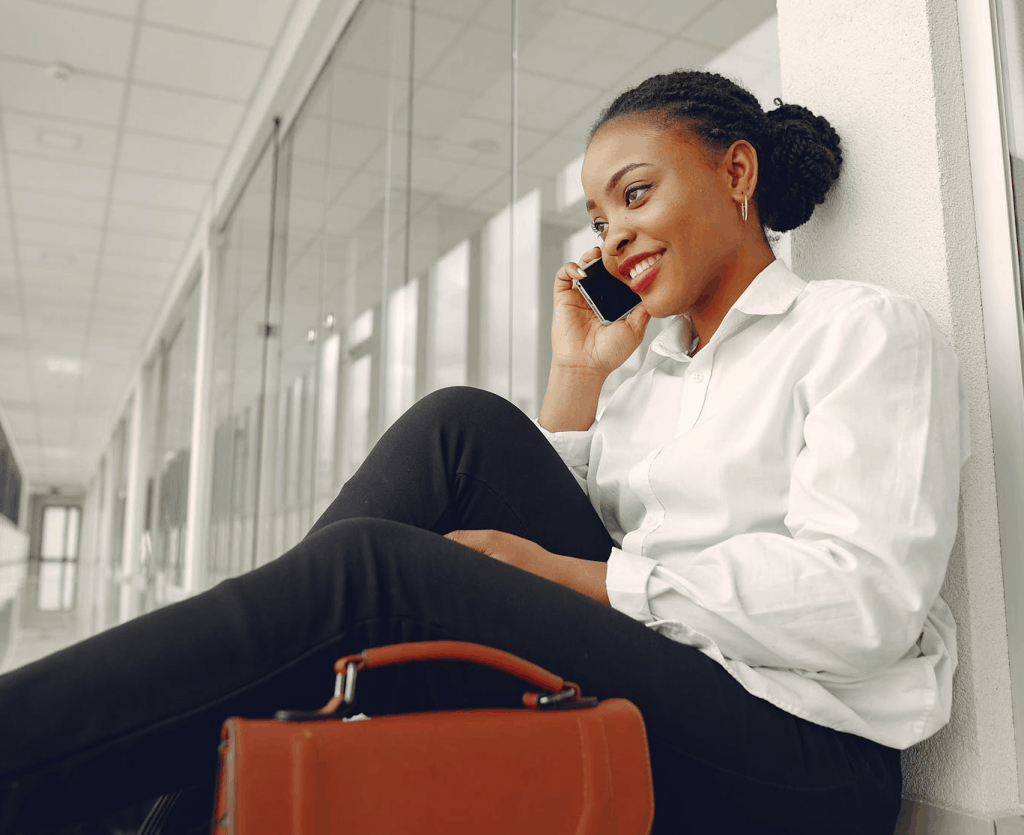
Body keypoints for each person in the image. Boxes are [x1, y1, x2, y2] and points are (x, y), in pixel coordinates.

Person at [0, 69, 967, 835]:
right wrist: (579, 379)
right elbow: (554, 508)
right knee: (459, 421)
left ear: (738, 174)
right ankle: (144, 801)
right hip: (663, 695)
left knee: (368, 572)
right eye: (598, 220)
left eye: (635, 193)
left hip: (800, 761)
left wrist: (573, 578)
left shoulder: (859, 328)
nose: (615, 233)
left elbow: (861, 603)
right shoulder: (647, 377)